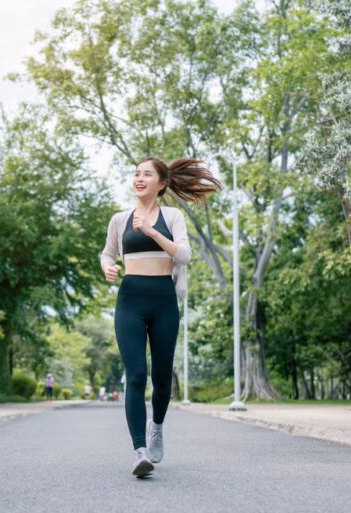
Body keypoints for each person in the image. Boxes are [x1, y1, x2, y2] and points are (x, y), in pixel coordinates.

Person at [100, 157, 221, 478]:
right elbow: (107, 252)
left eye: (147, 174)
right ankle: (140, 451)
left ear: (162, 183)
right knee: (136, 374)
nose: (139, 178)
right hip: (130, 299)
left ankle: (156, 427)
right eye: (136, 173)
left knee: (162, 381)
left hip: (164, 300)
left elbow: (183, 255)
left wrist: (153, 232)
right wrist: (108, 267)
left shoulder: (172, 216)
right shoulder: (119, 219)